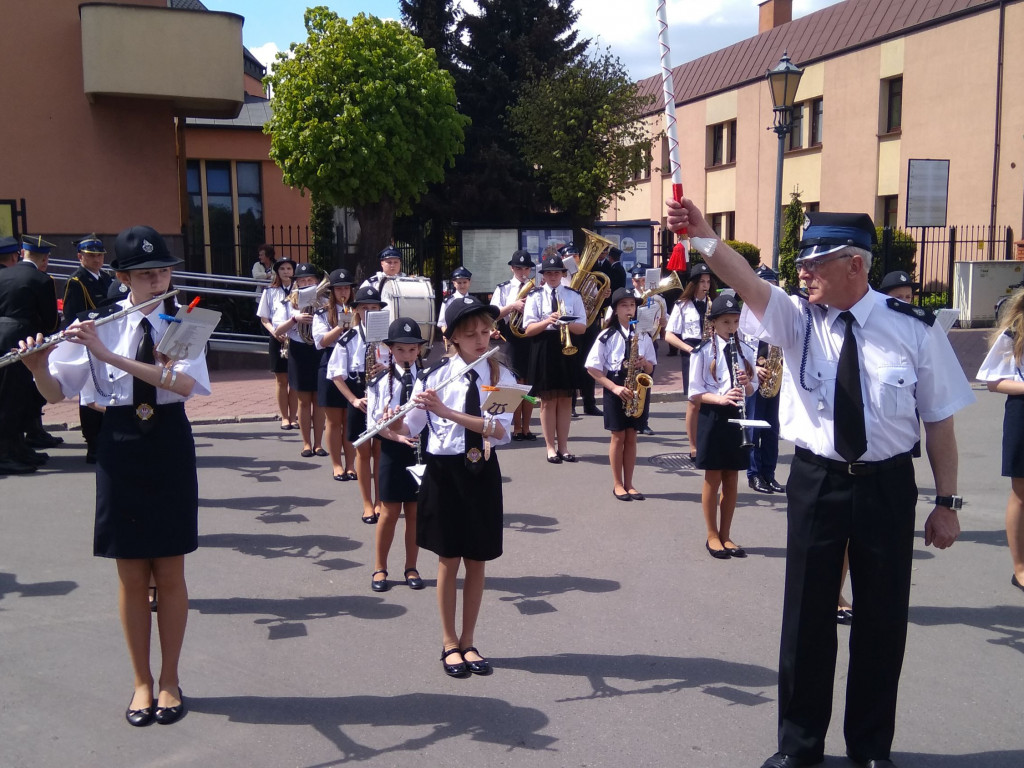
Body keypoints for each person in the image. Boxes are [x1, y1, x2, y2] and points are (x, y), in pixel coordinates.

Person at [667, 199, 973, 768]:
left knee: (881, 621)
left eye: (818, 261)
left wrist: (946, 502)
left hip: (886, 484)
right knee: (806, 619)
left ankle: (870, 749)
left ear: (854, 265)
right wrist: (705, 236)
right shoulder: (796, 319)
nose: (804, 270)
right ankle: (799, 747)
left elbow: (939, 421)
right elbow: (743, 279)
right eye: (803, 260)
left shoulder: (915, 330)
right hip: (816, 479)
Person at [19, 225, 209, 727]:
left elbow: (185, 384)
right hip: (120, 442)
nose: (157, 280)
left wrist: (109, 356)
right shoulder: (96, 322)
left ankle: (169, 678)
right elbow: (55, 393)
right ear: (123, 277)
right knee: (130, 574)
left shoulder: (186, 319)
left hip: (168, 439)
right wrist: (39, 367)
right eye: (146, 274)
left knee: (170, 570)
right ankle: (141, 682)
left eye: (163, 271)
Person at [394, 295, 515, 677]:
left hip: (482, 471)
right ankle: (449, 643)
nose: (481, 340)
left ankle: (469, 639)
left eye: (485, 332)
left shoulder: (500, 377)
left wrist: (447, 413)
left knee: (477, 559)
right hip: (444, 472)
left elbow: (500, 432)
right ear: (453, 339)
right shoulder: (432, 378)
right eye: (471, 334)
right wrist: (390, 420)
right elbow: (409, 430)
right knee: (449, 559)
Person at [688, 295, 755, 558]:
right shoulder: (703, 351)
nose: (731, 326)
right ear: (714, 323)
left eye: (735, 321)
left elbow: (752, 390)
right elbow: (695, 392)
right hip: (713, 417)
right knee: (713, 477)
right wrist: (721, 397)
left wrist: (746, 383)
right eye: (725, 321)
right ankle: (712, 535)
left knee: (732, 477)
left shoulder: (745, 350)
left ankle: (727, 535)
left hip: (737, 416)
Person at [365, 317, 428, 593]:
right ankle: (380, 567)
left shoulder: (428, 380)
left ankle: (411, 566)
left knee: (415, 512)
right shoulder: (379, 381)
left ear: (419, 351)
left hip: (420, 449)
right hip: (392, 448)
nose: (407, 355)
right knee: (389, 512)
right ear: (390, 349)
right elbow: (373, 425)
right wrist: (396, 435)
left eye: (412, 350)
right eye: (401, 350)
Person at [585, 287, 656, 501]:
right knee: (618, 436)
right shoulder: (606, 336)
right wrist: (614, 388)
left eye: (632, 305)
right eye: (624, 305)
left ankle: (630, 483)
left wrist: (645, 363)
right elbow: (593, 369)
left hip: (637, 387)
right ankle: (617, 483)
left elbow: (652, 368)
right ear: (615, 310)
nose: (629, 309)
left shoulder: (643, 335)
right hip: (616, 386)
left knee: (632, 436)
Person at [328, 285, 391, 523]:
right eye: (365, 308)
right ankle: (367, 503)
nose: (370, 312)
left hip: (384, 394)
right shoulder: (349, 337)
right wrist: (353, 400)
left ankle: (380, 501)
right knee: (363, 452)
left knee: (381, 451)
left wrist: (389, 367)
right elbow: (335, 374)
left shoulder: (389, 339)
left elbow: (406, 364)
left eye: (374, 308)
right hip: (360, 395)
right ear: (357, 311)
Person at [976, 288, 1024, 596]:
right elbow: (993, 382)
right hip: (1022, 412)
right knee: (1021, 493)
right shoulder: (1015, 332)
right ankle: (1020, 567)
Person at [0, 235, 59, 474]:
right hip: (22, 339)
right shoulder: (41, 279)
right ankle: (6, 454)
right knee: (14, 399)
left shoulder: (2, 275)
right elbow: (51, 321)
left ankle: (17, 448)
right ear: (44, 258)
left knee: (10, 398)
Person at [522, 254, 587, 463]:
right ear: (543, 275)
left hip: (567, 347)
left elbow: (583, 327)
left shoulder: (573, 295)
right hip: (544, 347)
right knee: (548, 401)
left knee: (566, 399)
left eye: (556, 272)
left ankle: (564, 447)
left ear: (562, 274)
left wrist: (565, 323)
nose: (552, 276)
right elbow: (528, 329)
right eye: (548, 273)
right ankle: (550, 447)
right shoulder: (535, 295)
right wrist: (547, 321)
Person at [60, 234, 116, 463]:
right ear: (80, 257)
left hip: (107, 340)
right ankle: (92, 444)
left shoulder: (105, 277)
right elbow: (71, 315)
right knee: (90, 395)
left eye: (100, 255)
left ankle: (106, 439)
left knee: (106, 390)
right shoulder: (77, 281)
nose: (97, 260)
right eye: (92, 256)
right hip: (88, 341)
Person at [664, 262, 716, 460]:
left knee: (712, 398)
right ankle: (693, 445)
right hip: (692, 352)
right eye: (702, 282)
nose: (705, 285)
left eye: (708, 281)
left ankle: (708, 440)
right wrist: (688, 349)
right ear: (693, 284)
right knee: (694, 401)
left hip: (711, 352)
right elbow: (669, 335)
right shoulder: (682, 305)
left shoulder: (714, 302)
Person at [312, 268, 356, 480]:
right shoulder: (321, 314)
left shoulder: (360, 312)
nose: (343, 292)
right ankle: (336, 464)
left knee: (350, 419)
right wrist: (341, 326)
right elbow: (321, 342)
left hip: (353, 366)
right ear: (332, 291)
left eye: (346, 288)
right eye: (339, 289)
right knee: (334, 421)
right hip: (330, 364)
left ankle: (351, 464)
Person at [746, 265, 785, 495]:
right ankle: (754, 474)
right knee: (754, 428)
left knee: (772, 429)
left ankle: (769, 474)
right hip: (755, 379)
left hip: (775, 379)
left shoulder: (781, 316)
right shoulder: (747, 316)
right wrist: (753, 370)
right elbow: (739, 349)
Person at [490, 249, 537, 440]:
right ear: (512, 268)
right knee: (516, 384)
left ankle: (527, 427)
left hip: (531, 336)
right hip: (512, 337)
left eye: (526, 268)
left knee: (530, 385)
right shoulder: (503, 289)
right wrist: (512, 306)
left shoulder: (536, 288)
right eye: (519, 268)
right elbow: (492, 314)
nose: (523, 272)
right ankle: (516, 427)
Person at [282, 263, 326, 457]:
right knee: (303, 400)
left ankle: (318, 443)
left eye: (310, 280)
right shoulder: (288, 302)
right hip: (299, 350)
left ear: (317, 282)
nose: (307, 283)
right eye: (302, 280)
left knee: (318, 400)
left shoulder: (325, 301)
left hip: (318, 350)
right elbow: (277, 331)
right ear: (297, 283)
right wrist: (295, 319)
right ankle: (306, 443)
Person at [256, 258, 298, 430]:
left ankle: (294, 416)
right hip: (277, 338)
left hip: (296, 337)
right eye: (282, 268)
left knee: (295, 379)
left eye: (289, 268)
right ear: (277, 272)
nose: (286, 271)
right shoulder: (269, 291)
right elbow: (264, 318)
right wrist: (275, 332)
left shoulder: (300, 290)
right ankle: (284, 417)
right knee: (281, 379)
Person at [629, 264, 668, 436]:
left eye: (643, 280)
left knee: (646, 383)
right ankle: (629, 420)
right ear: (633, 281)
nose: (640, 284)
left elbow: (665, 319)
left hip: (650, 341)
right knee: (629, 382)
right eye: (637, 281)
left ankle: (643, 422)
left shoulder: (659, 299)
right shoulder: (627, 297)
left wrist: (663, 324)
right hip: (630, 342)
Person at [437, 266, 472, 336]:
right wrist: (447, 336)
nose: (462, 285)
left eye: (465, 282)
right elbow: (442, 323)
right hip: (454, 336)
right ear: (454, 283)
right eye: (459, 283)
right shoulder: (448, 301)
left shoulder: (473, 301)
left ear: (469, 282)